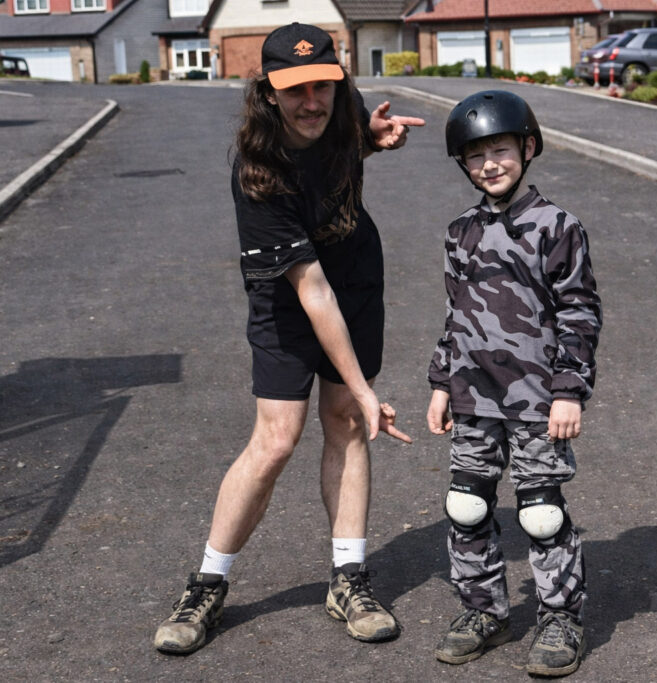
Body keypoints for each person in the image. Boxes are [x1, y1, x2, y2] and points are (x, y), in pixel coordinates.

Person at [153, 22, 424, 655]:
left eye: (322, 87)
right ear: (268, 92)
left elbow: (343, 152)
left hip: (355, 282)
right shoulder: (257, 172)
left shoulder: (343, 109)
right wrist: (364, 388)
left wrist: (372, 139)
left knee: (346, 423)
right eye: (295, 89)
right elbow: (311, 290)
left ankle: (349, 580)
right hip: (290, 295)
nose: (312, 102)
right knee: (276, 440)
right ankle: (206, 585)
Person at [426, 90, 602, 677]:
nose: (489, 165)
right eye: (475, 156)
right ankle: (484, 611)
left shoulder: (557, 227)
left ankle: (561, 619)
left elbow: (579, 312)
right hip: (473, 393)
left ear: (527, 148)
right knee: (467, 504)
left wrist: (568, 390)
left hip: (537, 398)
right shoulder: (460, 231)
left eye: (500, 150)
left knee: (540, 512)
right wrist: (442, 382)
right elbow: (455, 313)